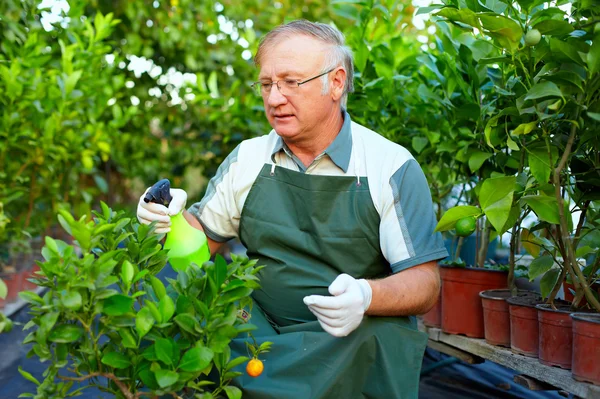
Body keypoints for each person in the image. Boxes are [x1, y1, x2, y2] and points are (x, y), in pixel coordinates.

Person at [137, 19, 448, 399]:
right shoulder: (248, 158)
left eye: (290, 82)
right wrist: (169, 219)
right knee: (171, 286)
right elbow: (203, 248)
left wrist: (367, 296)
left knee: (380, 335)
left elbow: (425, 283)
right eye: (266, 84)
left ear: (336, 82)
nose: (274, 98)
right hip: (255, 332)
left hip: (342, 341)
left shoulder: (389, 166)